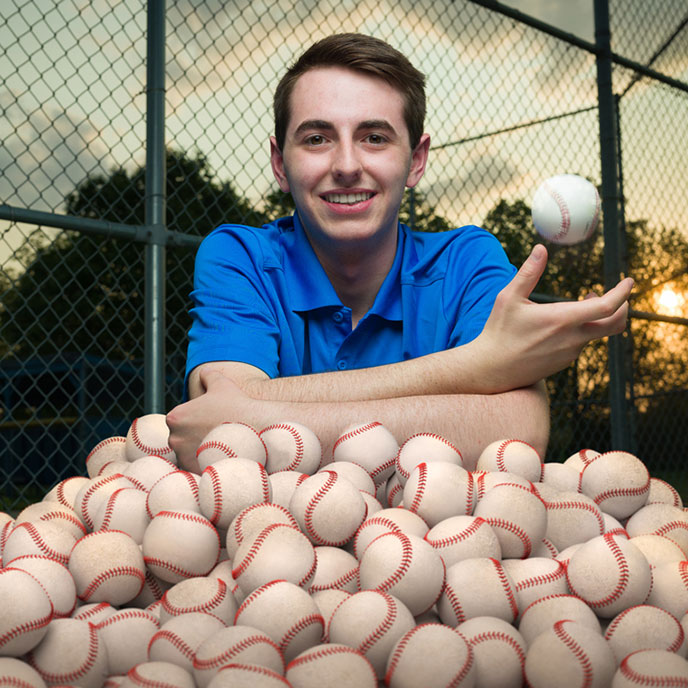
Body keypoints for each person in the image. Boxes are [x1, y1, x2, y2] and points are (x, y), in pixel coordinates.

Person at [166, 33, 633, 473]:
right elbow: (222, 418)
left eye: (374, 137)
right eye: (316, 138)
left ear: (416, 160)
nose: (347, 165)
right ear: (279, 163)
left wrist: (263, 412)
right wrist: (468, 369)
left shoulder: (468, 261)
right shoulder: (239, 256)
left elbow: (519, 429)